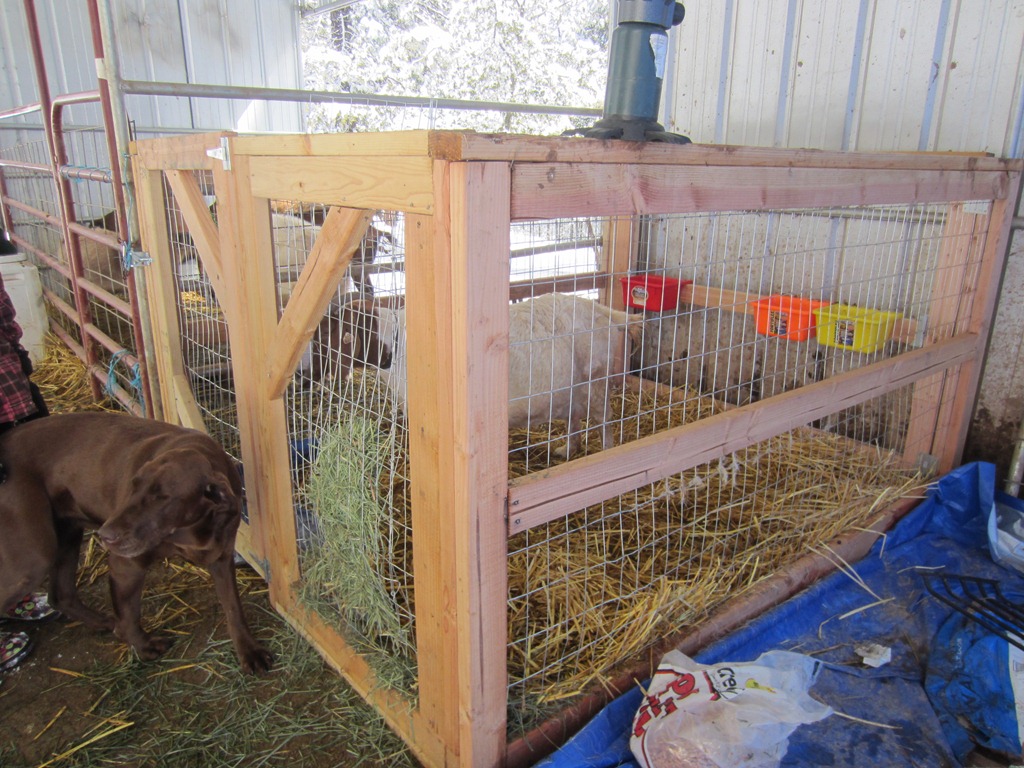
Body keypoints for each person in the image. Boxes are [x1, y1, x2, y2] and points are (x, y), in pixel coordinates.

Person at [0, 227, 54, 673]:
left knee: (13, 502)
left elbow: (6, 321)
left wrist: (22, 373)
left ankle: (10, 590)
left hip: (8, 402)